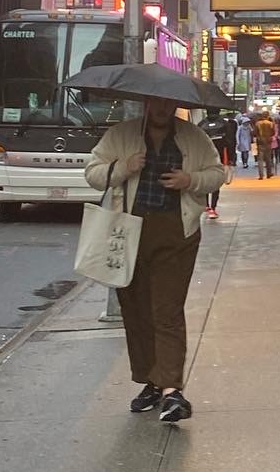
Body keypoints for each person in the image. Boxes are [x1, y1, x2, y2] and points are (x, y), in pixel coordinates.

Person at [86, 97, 225, 424]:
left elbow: (217, 174)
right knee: (136, 311)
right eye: (157, 103)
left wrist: (189, 181)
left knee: (167, 309)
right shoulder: (122, 134)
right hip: (128, 232)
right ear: (147, 103)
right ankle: (152, 380)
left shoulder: (193, 137)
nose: (162, 109)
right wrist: (124, 167)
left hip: (176, 233)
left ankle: (171, 390)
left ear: (175, 105)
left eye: (168, 104)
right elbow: (92, 174)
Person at [205, 110, 236, 221]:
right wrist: (231, 158)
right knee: (216, 181)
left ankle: (206, 205)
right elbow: (230, 142)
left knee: (205, 180)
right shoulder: (225, 124)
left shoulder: (201, 124)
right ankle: (213, 207)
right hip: (220, 156)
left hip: (204, 157)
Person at [252, 107, 276, 179]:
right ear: (268, 116)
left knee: (260, 159)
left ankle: (261, 175)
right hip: (268, 142)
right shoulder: (271, 123)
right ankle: (269, 173)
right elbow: (273, 133)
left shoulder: (257, 123)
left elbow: (254, 133)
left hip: (260, 142)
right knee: (268, 158)